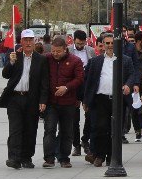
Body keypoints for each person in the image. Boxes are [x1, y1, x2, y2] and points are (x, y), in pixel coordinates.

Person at [81, 33, 136, 168]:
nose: (110, 45)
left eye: (112, 43)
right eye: (107, 43)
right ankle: (99, 155)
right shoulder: (95, 61)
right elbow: (88, 81)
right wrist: (86, 101)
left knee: (115, 129)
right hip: (100, 99)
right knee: (100, 128)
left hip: (117, 100)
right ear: (103, 45)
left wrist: (128, 85)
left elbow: (132, 75)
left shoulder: (125, 60)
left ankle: (112, 157)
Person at [0, 29, 49, 169]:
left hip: (31, 98)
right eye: (25, 40)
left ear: (34, 41)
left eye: (30, 40)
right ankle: (14, 157)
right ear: (21, 42)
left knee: (30, 129)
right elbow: (5, 75)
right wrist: (11, 63)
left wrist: (43, 100)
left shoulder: (41, 59)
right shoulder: (15, 56)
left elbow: (44, 83)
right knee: (15, 129)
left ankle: (27, 157)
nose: (28, 43)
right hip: (14, 98)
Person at [42, 37, 84, 168]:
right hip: (51, 102)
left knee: (66, 131)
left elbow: (80, 78)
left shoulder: (75, 61)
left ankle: (64, 157)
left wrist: (66, 88)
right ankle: (49, 158)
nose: (55, 54)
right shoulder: (47, 59)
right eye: (53, 51)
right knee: (49, 130)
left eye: (58, 51)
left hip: (68, 102)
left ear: (65, 49)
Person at [68, 30, 95, 156]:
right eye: (78, 43)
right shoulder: (68, 51)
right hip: (73, 86)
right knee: (74, 118)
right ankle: (76, 145)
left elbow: (95, 67)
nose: (80, 46)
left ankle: (85, 140)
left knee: (89, 115)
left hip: (87, 85)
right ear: (74, 41)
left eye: (82, 43)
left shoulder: (90, 51)